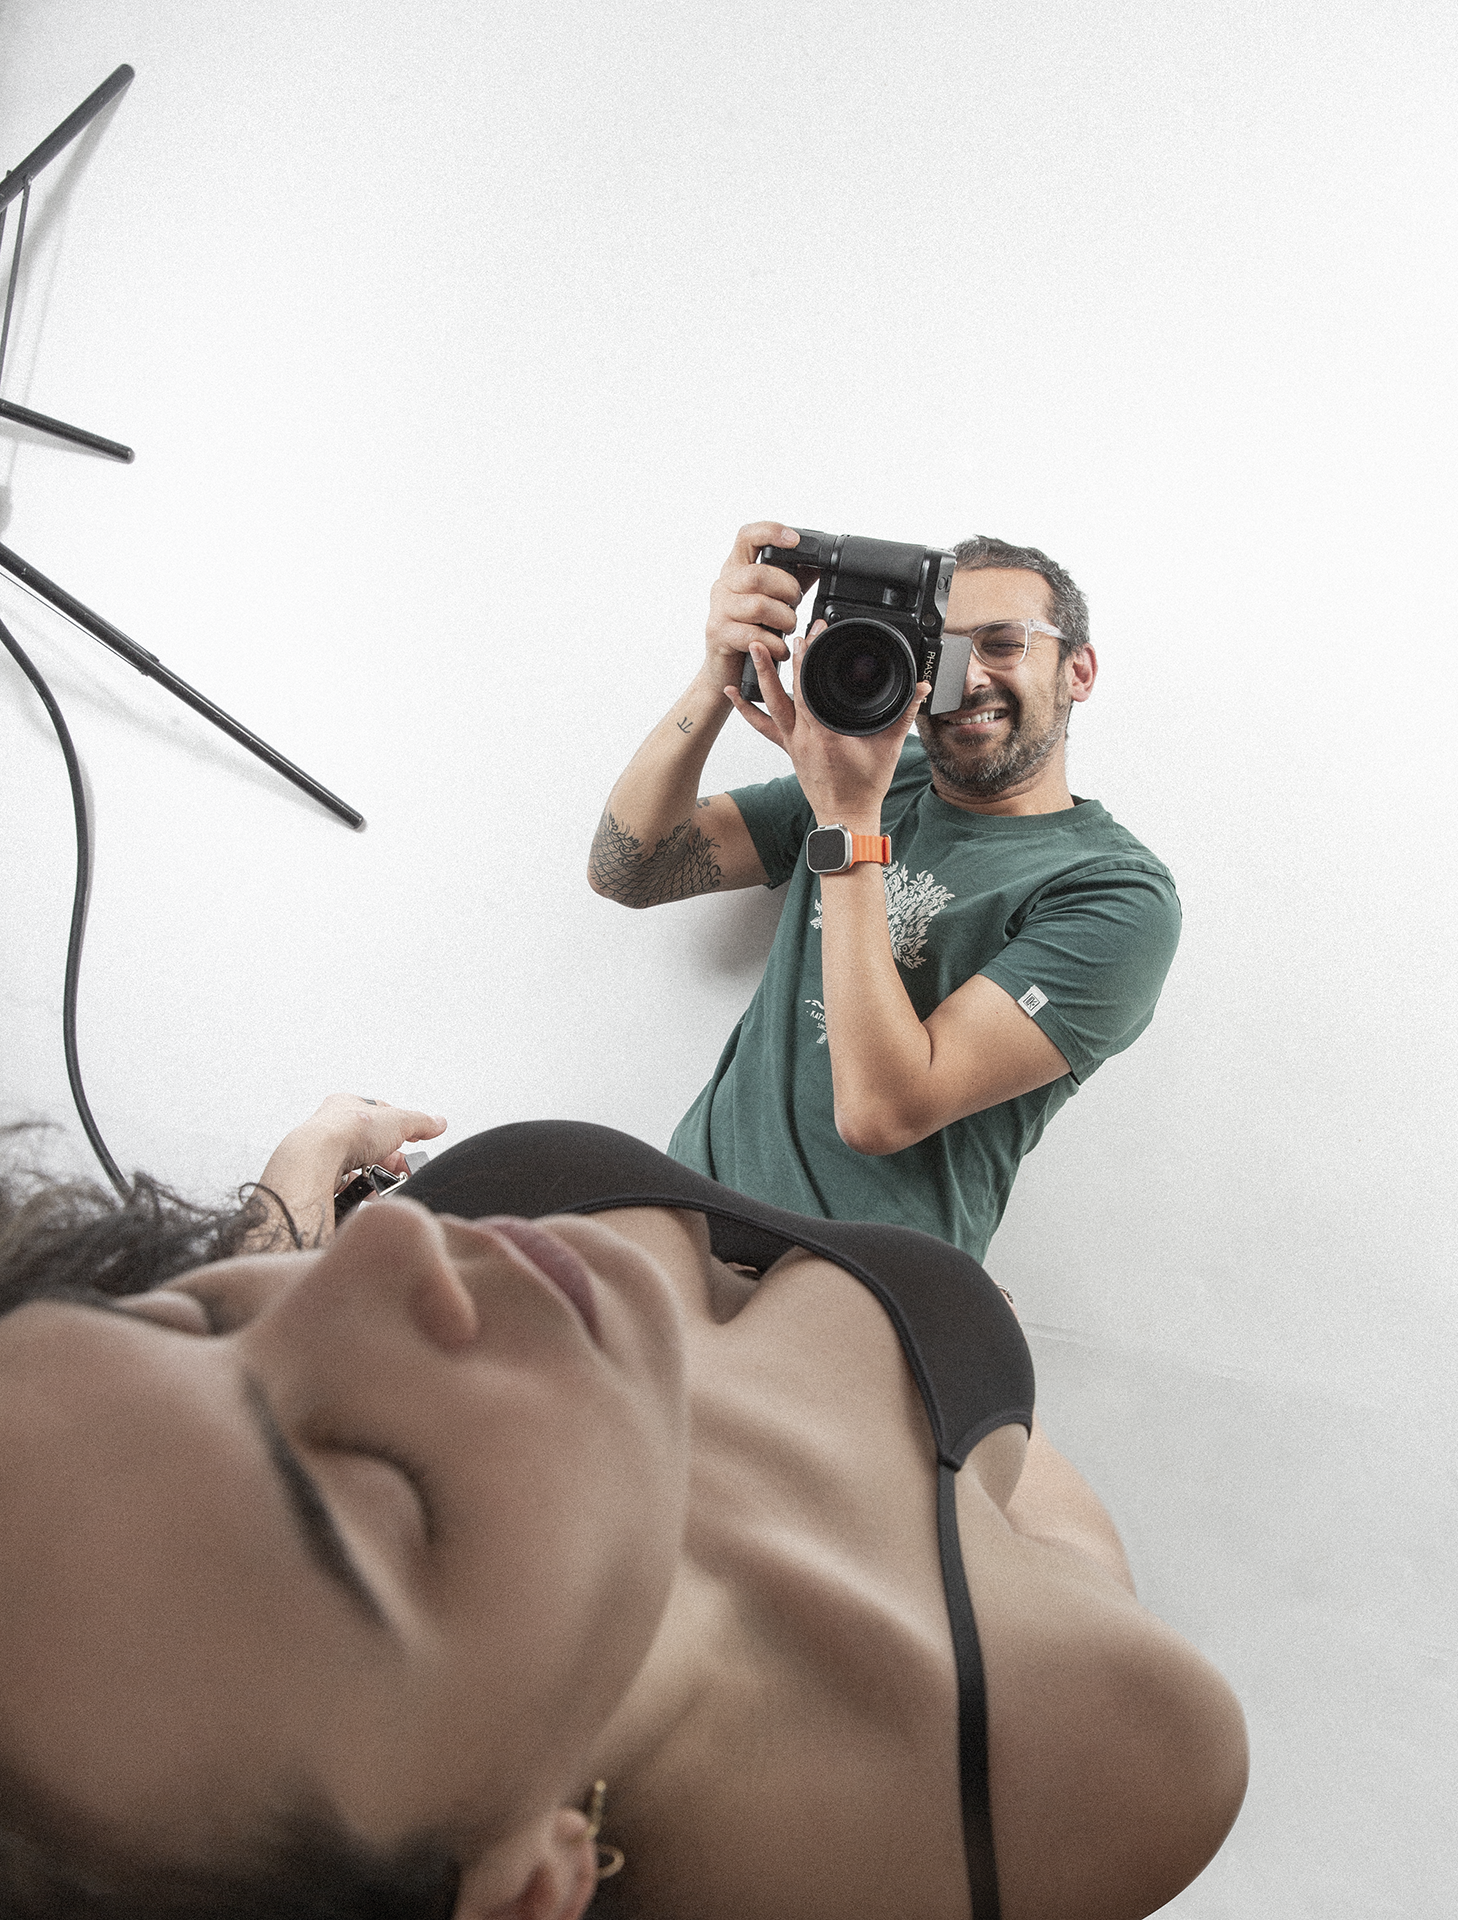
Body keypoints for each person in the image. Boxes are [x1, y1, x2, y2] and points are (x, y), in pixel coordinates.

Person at [0, 1095, 1247, 1920]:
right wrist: (987, 1412)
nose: (387, 1254)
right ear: (525, 1886)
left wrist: (301, 1170)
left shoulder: (412, 1311)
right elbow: (1043, 1503)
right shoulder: (1083, 1764)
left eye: (189, 1317)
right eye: (376, 1490)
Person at [589, 522, 1182, 1259]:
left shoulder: (1116, 895)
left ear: (1078, 671)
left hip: (852, 1290)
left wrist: (844, 819)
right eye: (948, 650)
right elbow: (630, 868)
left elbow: (879, 1112)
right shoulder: (869, 773)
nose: (967, 680)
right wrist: (717, 673)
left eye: (1003, 643)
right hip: (677, 1231)